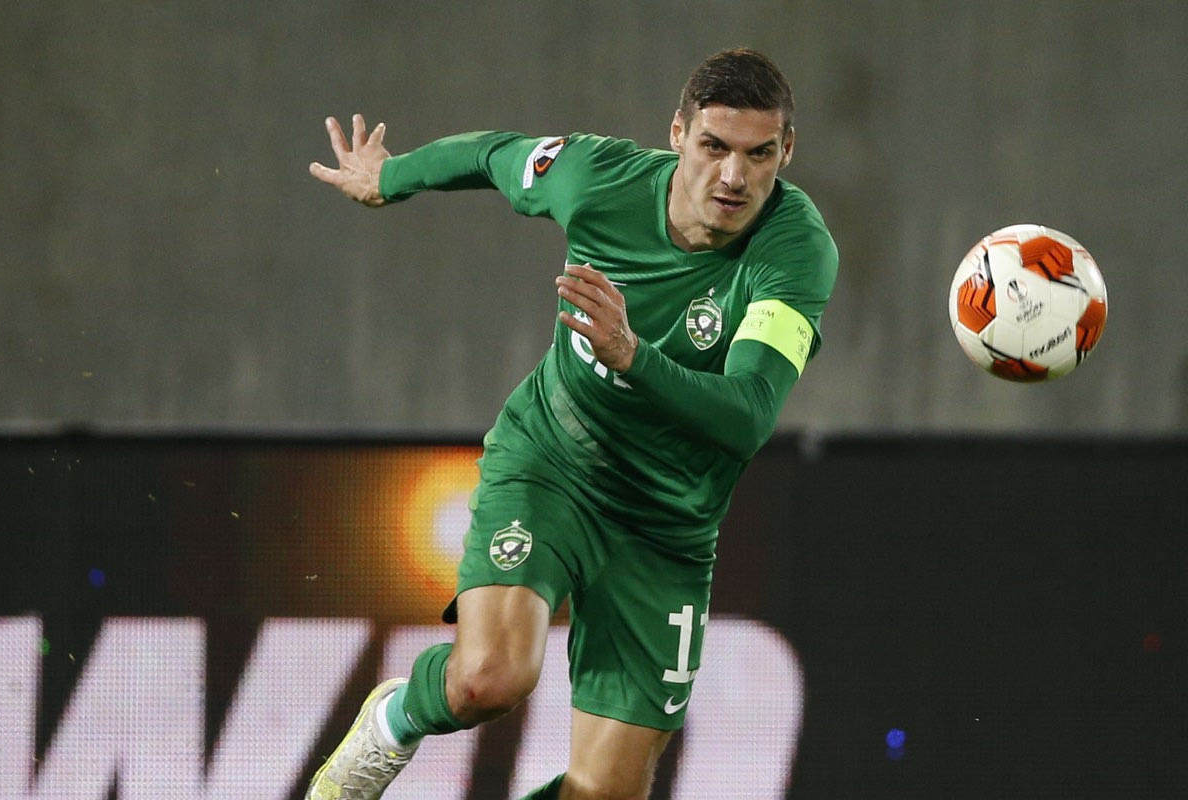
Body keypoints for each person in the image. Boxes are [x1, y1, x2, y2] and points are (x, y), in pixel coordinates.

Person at [305, 47, 838, 800]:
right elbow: (494, 155)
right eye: (714, 147)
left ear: (786, 152)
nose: (733, 177)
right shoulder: (598, 179)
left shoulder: (796, 248)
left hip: (668, 524)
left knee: (605, 793)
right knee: (489, 678)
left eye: (758, 155)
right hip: (556, 460)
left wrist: (633, 356)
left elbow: (747, 414)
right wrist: (389, 178)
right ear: (678, 134)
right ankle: (394, 720)